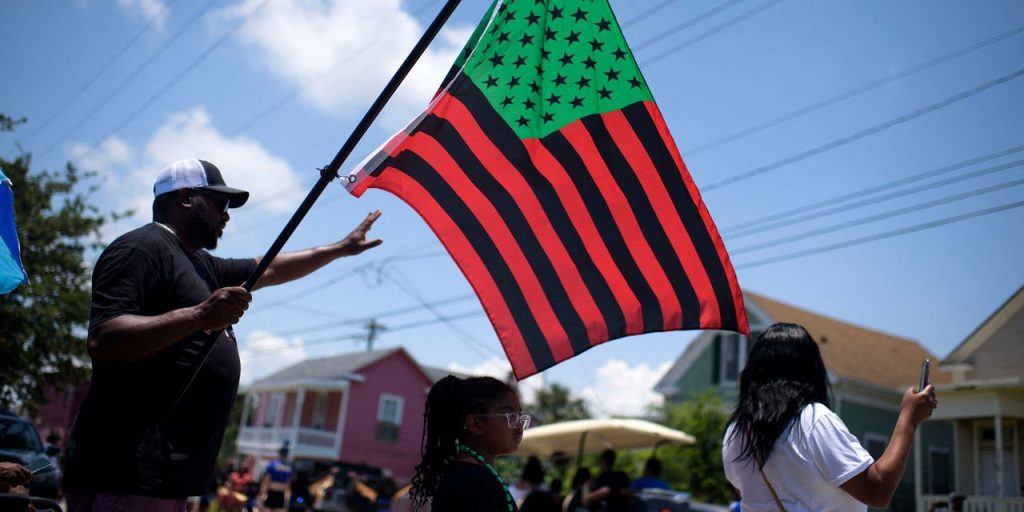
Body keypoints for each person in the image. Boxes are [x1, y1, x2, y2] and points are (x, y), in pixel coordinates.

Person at [62, 158, 383, 511]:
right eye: (220, 203)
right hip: (124, 473)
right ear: (186, 197)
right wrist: (200, 314)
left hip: (161, 481)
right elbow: (105, 339)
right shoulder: (141, 249)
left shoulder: (200, 264)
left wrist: (339, 249)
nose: (226, 216)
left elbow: (269, 267)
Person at [722, 323, 937, 511]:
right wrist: (908, 418)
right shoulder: (812, 420)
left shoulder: (735, 431)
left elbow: (746, 492)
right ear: (812, 369)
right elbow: (878, 490)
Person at [410, 375, 529, 511]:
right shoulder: (474, 483)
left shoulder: (469, 476)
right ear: (475, 424)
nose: (519, 425)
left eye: (520, 416)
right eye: (511, 416)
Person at [259, 445, 293, 512]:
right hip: (280, 493)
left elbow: (266, 481)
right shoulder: (289, 468)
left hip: (272, 492)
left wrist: (262, 493)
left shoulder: (272, 465)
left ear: (279, 454)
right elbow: (288, 485)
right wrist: (287, 499)